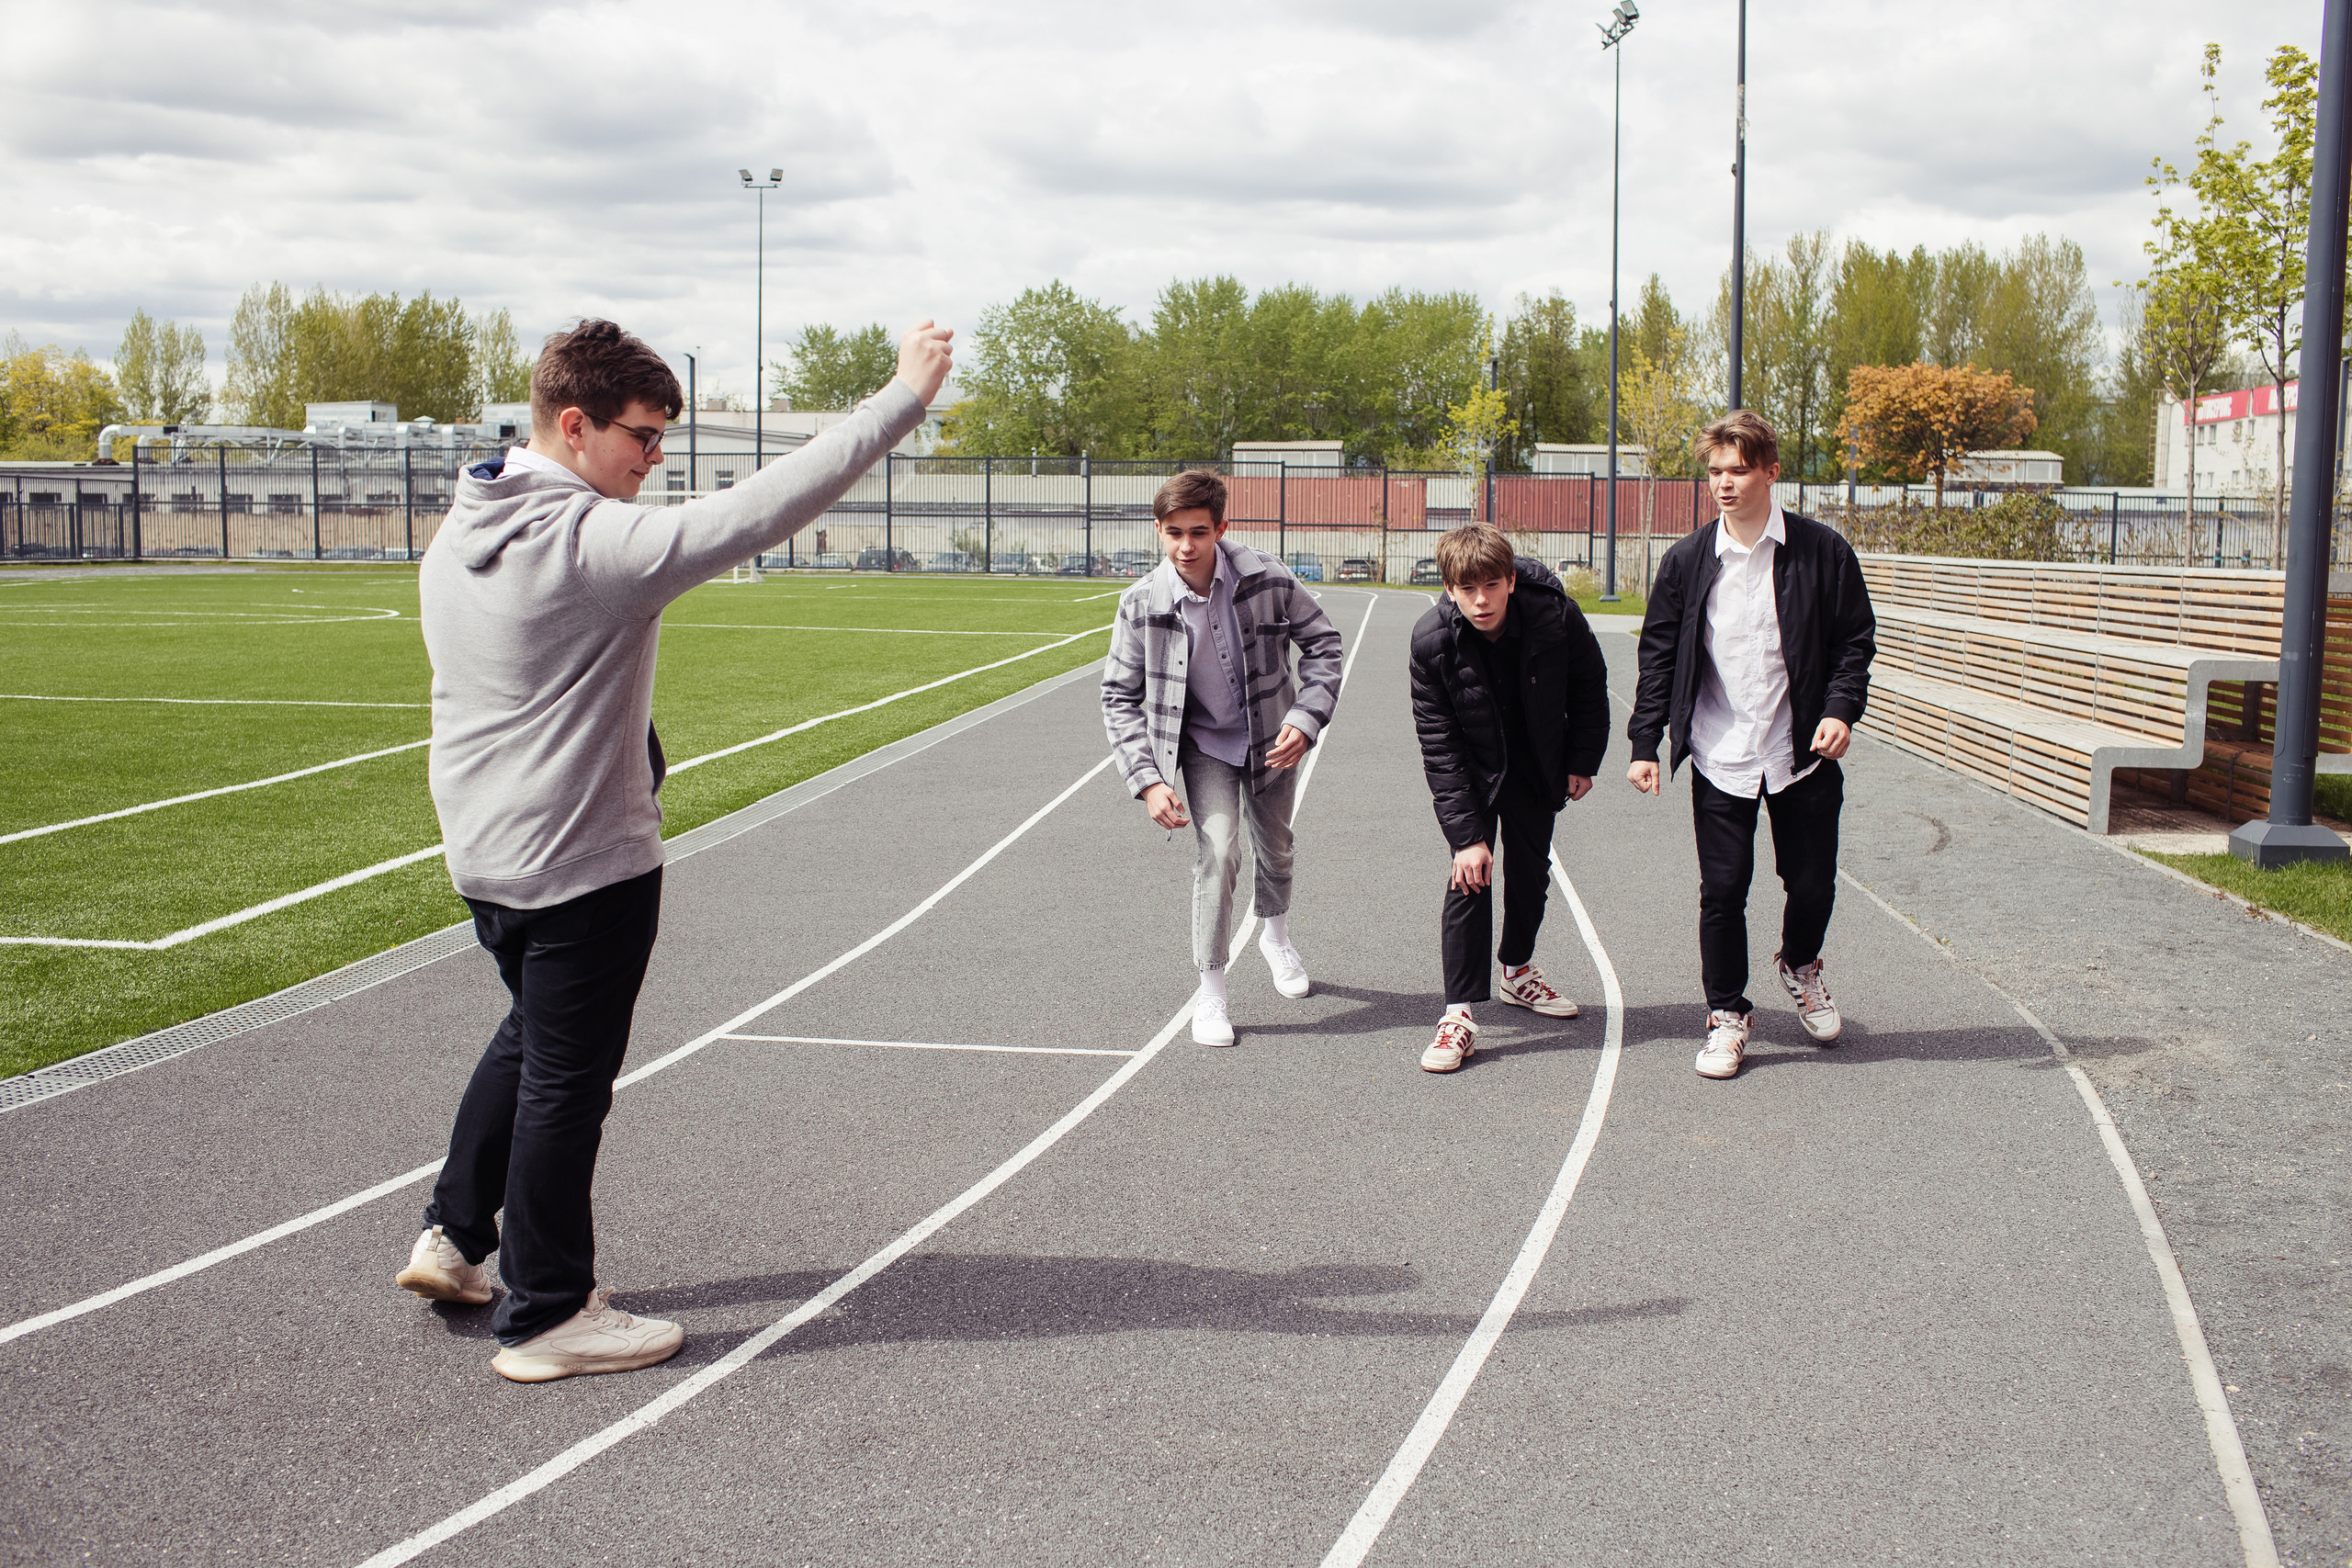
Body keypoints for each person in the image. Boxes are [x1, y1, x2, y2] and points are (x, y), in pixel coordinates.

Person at [394, 316, 955, 1382]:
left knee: (529, 1039)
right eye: (643, 439)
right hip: (579, 863)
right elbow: (757, 512)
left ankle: (456, 1236)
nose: (654, 461)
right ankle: (547, 1313)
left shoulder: (467, 517)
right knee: (568, 1083)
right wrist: (900, 399)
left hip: (485, 853)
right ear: (574, 424)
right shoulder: (590, 543)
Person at [1625, 409, 1876, 1080]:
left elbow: (1855, 641)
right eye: (1715, 471)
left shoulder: (1823, 552)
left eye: (1738, 469)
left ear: (1770, 471)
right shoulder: (1687, 560)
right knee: (1723, 890)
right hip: (1720, 751)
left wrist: (1841, 709)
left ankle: (1800, 965)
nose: (1724, 483)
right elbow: (1659, 654)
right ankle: (1728, 1014)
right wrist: (1645, 742)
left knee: (1813, 883)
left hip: (1802, 753)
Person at [1102, 470, 1345, 1047]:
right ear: (1158, 531)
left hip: (1273, 736)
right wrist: (1147, 781)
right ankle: (1211, 993)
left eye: (1199, 532)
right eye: (1173, 533)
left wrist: (1306, 718)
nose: (1186, 546)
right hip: (1204, 746)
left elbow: (1324, 645)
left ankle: (1275, 934)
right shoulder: (1140, 605)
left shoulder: (1268, 577)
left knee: (1276, 845)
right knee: (1218, 854)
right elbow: (1117, 697)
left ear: (1222, 528)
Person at [1407, 524, 1611, 1073]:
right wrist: (1466, 837)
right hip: (1472, 768)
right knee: (1469, 877)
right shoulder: (1431, 642)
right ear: (1449, 588)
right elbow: (1439, 743)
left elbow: (1591, 686)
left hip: (1535, 763)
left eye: (1491, 585)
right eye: (1467, 588)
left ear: (1511, 580)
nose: (1480, 600)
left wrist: (1582, 760)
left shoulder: (1556, 616)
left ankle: (1517, 971)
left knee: (1529, 874)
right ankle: (1459, 1013)